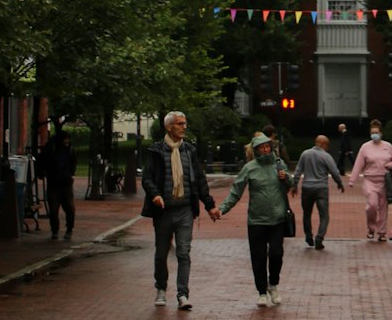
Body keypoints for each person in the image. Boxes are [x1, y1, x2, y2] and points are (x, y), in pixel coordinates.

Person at [141, 109, 220, 309]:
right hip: (163, 210)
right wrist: (155, 195)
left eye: (185, 123)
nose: (184, 127)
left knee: (183, 252)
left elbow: (200, 181)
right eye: (179, 123)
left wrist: (209, 205)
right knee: (161, 254)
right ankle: (161, 289)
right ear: (169, 127)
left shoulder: (189, 151)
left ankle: (182, 294)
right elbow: (147, 178)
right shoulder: (156, 151)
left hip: (185, 209)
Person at [220, 131, 294, 306]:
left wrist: (287, 178)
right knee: (258, 256)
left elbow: (290, 184)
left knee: (276, 253)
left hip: (277, 218)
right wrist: (222, 209)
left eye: (268, 146)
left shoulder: (279, 164)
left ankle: (273, 284)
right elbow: (236, 190)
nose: (266, 150)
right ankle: (261, 291)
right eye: (262, 148)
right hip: (257, 220)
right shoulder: (250, 168)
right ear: (256, 150)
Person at [348, 119, 392, 241]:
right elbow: (359, 163)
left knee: (383, 207)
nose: (374, 134)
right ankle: (371, 227)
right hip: (370, 180)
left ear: (381, 133)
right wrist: (352, 180)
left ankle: (381, 232)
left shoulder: (388, 146)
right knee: (372, 205)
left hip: (384, 180)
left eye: (376, 132)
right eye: (372, 132)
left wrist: (390, 165)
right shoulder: (365, 147)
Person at [292, 134, 345, 248]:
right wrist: (339, 183)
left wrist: (295, 184)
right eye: (327, 145)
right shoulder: (326, 156)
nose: (328, 148)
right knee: (324, 215)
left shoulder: (305, 154)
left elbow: (298, 170)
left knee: (307, 214)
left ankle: (308, 236)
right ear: (323, 144)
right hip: (321, 188)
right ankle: (319, 238)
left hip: (307, 187)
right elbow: (334, 172)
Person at [39, 127, 76, 242]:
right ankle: (55, 230)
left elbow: (73, 163)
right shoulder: (50, 150)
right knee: (54, 210)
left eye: (68, 140)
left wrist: (70, 174)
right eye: (66, 139)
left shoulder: (69, 150)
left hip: (65, 183)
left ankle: (69, 229)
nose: (67, 142)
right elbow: (43, 161)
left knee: (70, 209)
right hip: (54, 183)